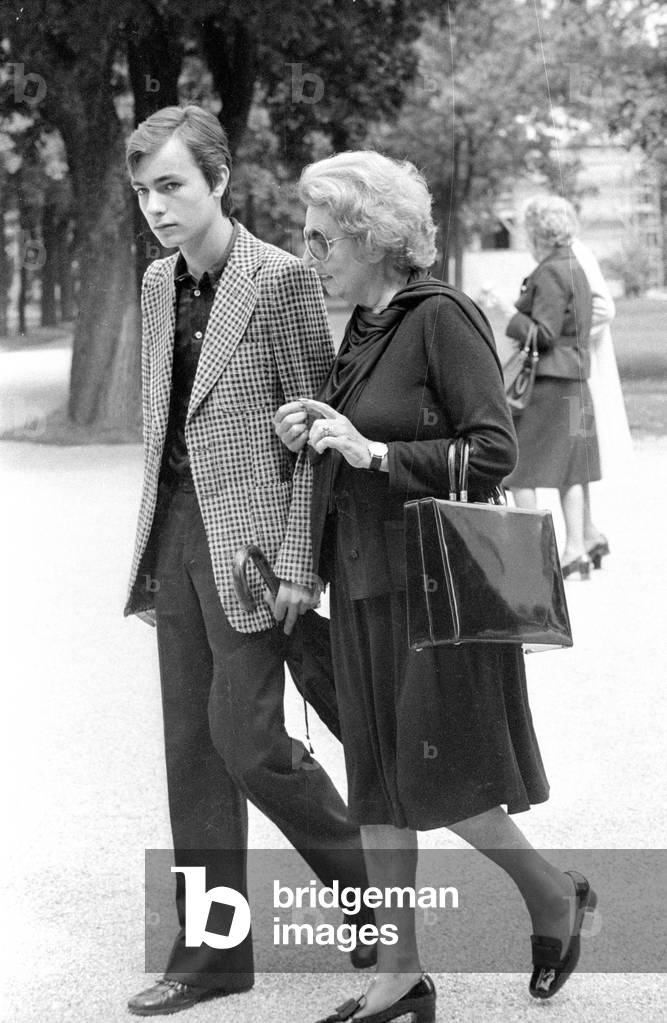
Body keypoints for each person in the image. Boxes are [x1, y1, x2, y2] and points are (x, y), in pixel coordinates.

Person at [274, 151, 596, 1023]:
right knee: (377, 780)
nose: (310, 254)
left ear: (374, 235)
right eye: (306, 237)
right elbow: (358, 443)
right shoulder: (365, 327)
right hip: (362, 581)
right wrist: (319, 430)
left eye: (323, 238)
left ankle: (553, 894)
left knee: (439, 777)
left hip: (429, 588)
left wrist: (374, 450)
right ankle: (400, 974)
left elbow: (493, 450)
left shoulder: (440, 316)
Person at [123, 106, 375, 1017]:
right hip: (176, 533)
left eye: (172, 185)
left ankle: (370, 895)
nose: (156, 206)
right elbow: (165, 428)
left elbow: (315, 437)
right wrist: (154, 552)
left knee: (250, 741)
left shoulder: (279, 280)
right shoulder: (158, 282)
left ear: (220, 180)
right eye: (143, 191)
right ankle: (212, 954)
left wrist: (301, 563)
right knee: (191, 750)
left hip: (257, 547)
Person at [504, 195, 603, 579]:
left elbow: (543, 334)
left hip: (548, 384)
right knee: (572, 469)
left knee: (520, 470)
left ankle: (534, 557)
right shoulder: (576, 266)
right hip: (577, 381)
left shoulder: (548, 272)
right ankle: (577, 547)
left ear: (537, 232)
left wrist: (513, 319)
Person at [571, 230, 634, 568]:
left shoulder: (571, 256)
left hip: (572, 377)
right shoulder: (567, 255)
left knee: (568, 453)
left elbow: (603, 308)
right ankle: (587, 533)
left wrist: (570, 338)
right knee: (573, 453)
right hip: (571, 374)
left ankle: (579, 540)